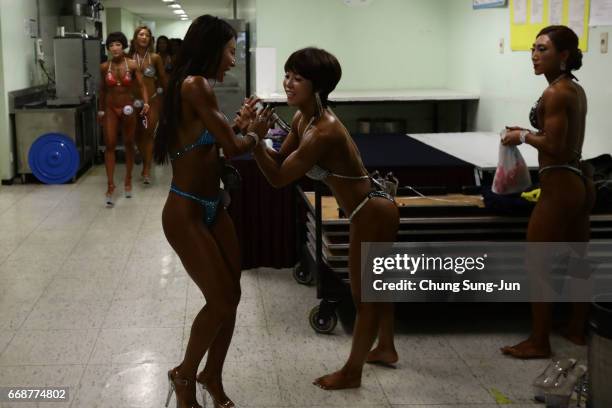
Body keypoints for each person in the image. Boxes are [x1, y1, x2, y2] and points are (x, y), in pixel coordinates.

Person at [251, 47, 400, 390]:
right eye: (286, 74)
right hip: (367, 207)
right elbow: (280, 159)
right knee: (376, 287)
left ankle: (352, 372)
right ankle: (386, 347)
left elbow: (277, 178)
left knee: (366, 296)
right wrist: (256, 138)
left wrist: (255, 141)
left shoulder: (323, 130)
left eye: (297, 78)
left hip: (373, 211)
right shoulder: (305, 119)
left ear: (317, 87)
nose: (287, 83)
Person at [154, 15, 265, 408]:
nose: (233, 60)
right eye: (231, 51)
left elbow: (216, 144)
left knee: (230, 295)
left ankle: (211, 376)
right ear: (212, 48)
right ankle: (184, 375)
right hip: (185, 211)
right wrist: (255, 133)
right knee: (220, 300)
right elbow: (235, 148)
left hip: (213, 205)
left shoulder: (194, 88)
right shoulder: (194, 85)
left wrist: (239, 127)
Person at [500, 25, 595, 359]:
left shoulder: (555, 93)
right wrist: (528, 131)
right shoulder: (573, 89)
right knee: (577, 260)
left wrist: (522, 137)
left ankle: (539, 341)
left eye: (543, 49)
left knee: (537, 262)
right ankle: (576, 328)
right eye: (533, 49)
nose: (535, 55)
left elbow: (553, 145)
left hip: (560, 186)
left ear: (564, 55)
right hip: (580, 181)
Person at [98, 32, 148, 206]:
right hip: (111, 109)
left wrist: (146, 103)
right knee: (110, 144)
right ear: (108, 48)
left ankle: (127, 180)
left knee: (128, 143)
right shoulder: (104, 67)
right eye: (111, 45)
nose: (114, 48)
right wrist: (100, 111)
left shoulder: (133, 65)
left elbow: (141, 86)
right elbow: (102, 90)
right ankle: (110, 185)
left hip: (128, 108)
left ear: (123, 46)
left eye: (118, 44)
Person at [129, 26, 168, 185]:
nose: (144, 37)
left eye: (147, 35)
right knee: (136, 134)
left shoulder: (155, 58)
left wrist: (167, 99)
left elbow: (163, 79)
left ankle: (146, 168)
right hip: (132, 102)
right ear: (136, 37)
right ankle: (140, 152)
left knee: (148, 133)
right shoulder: (128, 57)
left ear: (150, 39)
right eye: (141, 34)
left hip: (151, 101)